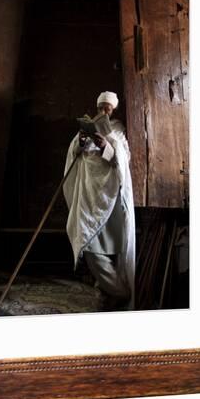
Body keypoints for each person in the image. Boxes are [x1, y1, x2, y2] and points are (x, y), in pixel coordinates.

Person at [63, 91, 136, 310]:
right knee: (91, 247)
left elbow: (122, 160)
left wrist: (106, 146)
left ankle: (117, 293)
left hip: (109, 197)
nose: (104, 110)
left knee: (107, 249)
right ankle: (116, 291)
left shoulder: (118, 131)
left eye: (108, 108)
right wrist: (82, 142)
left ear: (114, 109)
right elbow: (74, 155)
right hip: (88, 195)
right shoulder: (88, 126)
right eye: (102, 107)